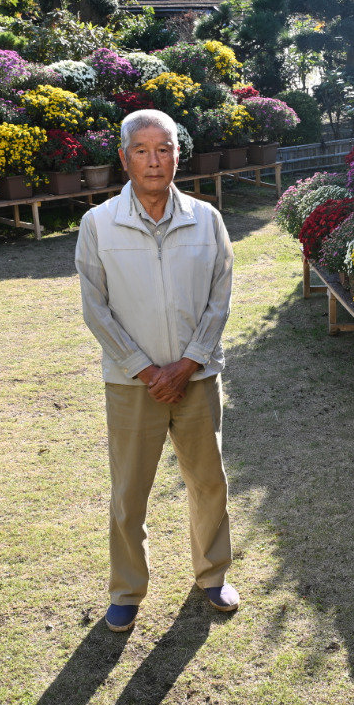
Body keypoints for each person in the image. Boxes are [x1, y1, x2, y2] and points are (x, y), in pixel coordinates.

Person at [75, 109, 238, 632]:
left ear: (177, 155)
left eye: (163, 149)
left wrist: (188, 363)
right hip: (131, 384)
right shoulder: (99, 223)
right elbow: (95, 309)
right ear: (124, 158)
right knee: (129, 491)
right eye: (142, 150)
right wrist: (148, 371)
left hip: (197, 377)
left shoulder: (206, 218)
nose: (153, 160)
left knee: (209, 481)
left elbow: (220, 296)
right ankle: (126, 589)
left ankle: (212, 576)